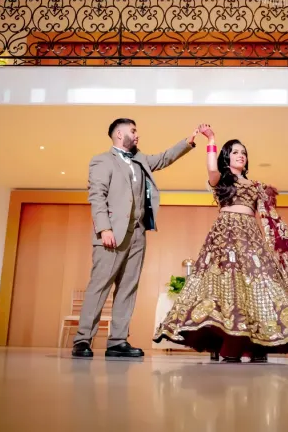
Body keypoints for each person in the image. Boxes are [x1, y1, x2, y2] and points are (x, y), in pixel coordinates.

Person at [153, 126, 288, 362]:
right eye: (235, 152)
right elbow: (211, 167)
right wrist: (211, 140)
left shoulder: (257, 186)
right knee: (228, 285)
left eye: (244, 152)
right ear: (226, 157)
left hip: (250, 236)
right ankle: (230, 341)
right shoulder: (220, 179)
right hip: (225, 235)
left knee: (256, 285)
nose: (241, 155)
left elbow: (269, 219)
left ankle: (254, 342)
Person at [72, 118, 200, 359]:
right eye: (133, 131)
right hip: (110, 234)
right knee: (99, 287)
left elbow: (163, 158)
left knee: (128, 289)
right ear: (119, 134)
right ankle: (82, 339)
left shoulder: (140, 160)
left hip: (138, 234)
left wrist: (188, 142)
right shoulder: (101, 160)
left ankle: (118, 341)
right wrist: (104, 229)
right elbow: (97, 196)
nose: (137, 135)